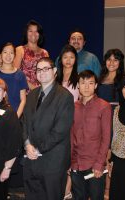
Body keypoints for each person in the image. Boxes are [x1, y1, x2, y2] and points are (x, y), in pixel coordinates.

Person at [22, 57, 74, 200]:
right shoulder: (32, 94)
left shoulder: (65, 96)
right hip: (31, 159)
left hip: (53, 161)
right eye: (39, 69)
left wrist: (38, 149)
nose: (42, 72)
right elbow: (25, 122)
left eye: (46, 69)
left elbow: (60, 130)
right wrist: (27, 145)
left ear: (55, 71)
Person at [70, 70, 111, 200]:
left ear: (96, 85)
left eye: (90, 83)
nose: (86, 87)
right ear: (78, 85)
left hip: (95, 164)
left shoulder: (104, 106)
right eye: (83, 83)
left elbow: (106, 138)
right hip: (76, 163)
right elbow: (70, 136)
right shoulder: (72, 107)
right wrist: (69, 162)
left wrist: (99, 163)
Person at [97, 48, 125, 199]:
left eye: (115, 60)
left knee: (111, 156)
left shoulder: (124, 80)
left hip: (116, 121)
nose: (112, 62)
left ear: (120, 63)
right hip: (100, 119)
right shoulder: (99, 78)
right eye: (109, 59)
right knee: (101, 153)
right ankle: (99, 188)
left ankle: (109, 190)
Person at [55, 44, 79, 199]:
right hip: (56, 124)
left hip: (73, 123)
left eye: (71, 57)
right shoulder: (55, 77)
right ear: (61, 59)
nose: (68, 60)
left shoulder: (79, 78)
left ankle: (67, 191)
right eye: (65, 57)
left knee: (71, 157)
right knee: (58, 157)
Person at [0, 42, 28, 117]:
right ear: (0, 54)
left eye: (11, 52)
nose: (8, 55)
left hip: (14, 115)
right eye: (5, 52)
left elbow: (23, 100)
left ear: (14, 55)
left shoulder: (20, 74)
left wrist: (16, 118)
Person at [14, 20, 49, 90]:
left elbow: (48, 74)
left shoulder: (45, 53)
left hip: (42, 91)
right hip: (24, 91)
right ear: (26, 33)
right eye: (30, 31)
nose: (33, 33)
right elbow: (15, 73)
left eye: (36, 31)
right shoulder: (20, 50)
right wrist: (33, 88)